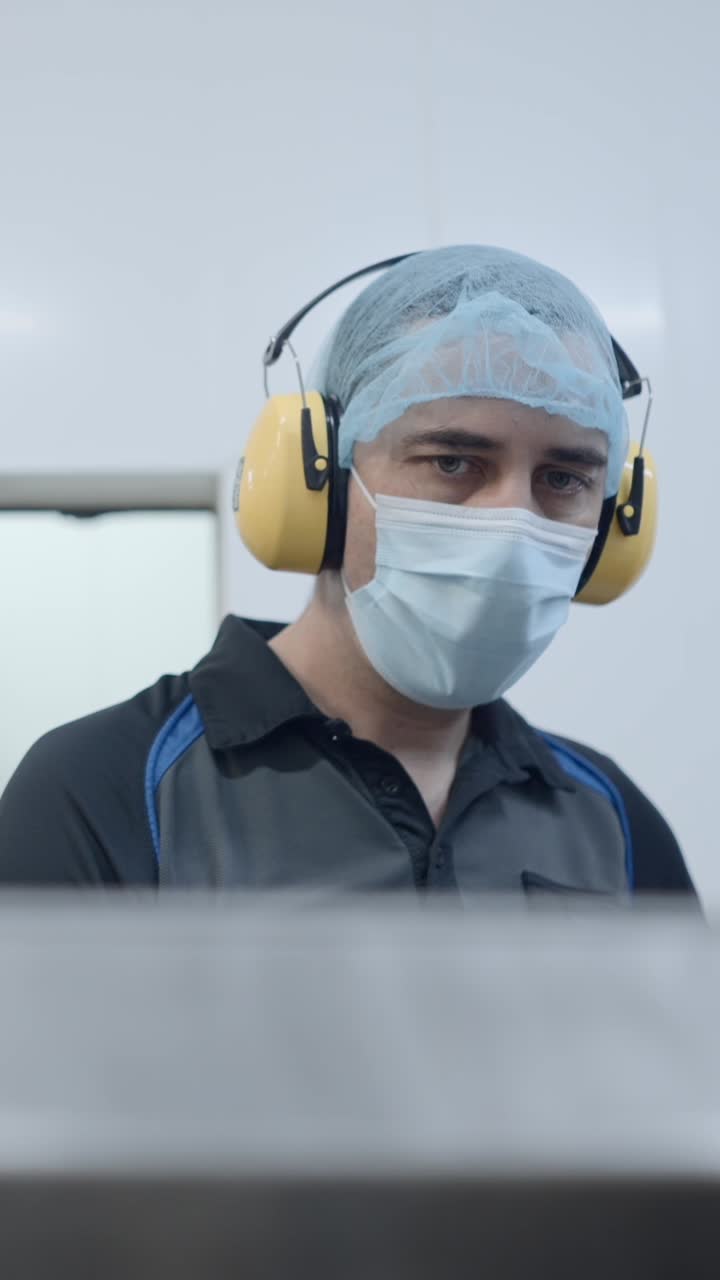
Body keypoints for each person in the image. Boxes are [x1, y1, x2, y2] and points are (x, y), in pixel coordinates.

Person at [0, 246, 696, 897]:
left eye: (564, 477)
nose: (512, 523)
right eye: (453, 462)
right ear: (319, 483)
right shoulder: (102, 787)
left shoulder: (619, 824)